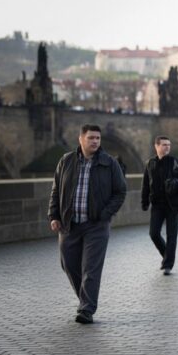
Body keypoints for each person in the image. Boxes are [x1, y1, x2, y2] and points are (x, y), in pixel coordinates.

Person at [48, 124, 127, 324]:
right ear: (80, 139)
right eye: (91, 138)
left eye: (98, 138)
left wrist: (105, 214)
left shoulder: (109, 163)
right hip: (69, 224)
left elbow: (120, 191)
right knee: (68, 265)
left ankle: (87, 309)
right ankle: (86, 300)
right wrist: (54, 216)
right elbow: (56, 190)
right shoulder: (66, 161)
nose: (95, 141)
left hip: (96, 225)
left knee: (91, 268)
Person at [141, 136, 178, 276]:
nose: (167, 147)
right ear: (156, 146)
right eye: (164, 145)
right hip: (157, 204)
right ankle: (166, 255)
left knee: (171, 235)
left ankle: (168, 264)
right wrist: (144, 202)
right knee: (154, 233)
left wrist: (177, 184)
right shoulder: (150, 163)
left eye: (169, 145)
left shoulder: (175, 162)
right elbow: (145, 184)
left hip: (172, 204)